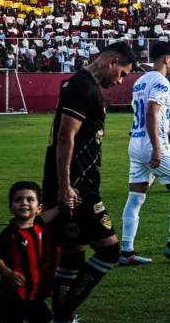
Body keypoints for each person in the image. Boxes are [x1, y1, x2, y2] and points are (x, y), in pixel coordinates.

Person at [43, 41, 136, 323]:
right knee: (109, 251)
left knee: (73, 255)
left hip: (71, 182)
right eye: (122, 73)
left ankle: (60, 318)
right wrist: (65, 186)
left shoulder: (80, 84)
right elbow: (65, 137)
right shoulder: (83, 86)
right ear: (111, 62)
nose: (120, 80)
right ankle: (62, 312)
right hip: (77, 186)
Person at [119, 41, 170, 266]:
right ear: (166, 58)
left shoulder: (140, 81)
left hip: (135, 143)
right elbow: (152, 114)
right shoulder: (162, 82)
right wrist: (157, 147)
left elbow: (149, 115)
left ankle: (126, 251)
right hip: (153, 145)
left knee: (135, 197)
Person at [0, 181, 55, 323]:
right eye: (18, 200)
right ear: (10, 208)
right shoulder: (10, 233)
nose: (24, 203)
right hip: (12, 293)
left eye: (30, 199)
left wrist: (63, 206)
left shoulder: (39, 224)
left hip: (34, 292)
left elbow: (49, 215)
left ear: (39, 208)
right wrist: (8, 273)